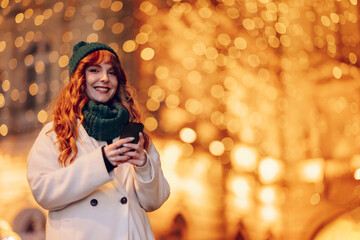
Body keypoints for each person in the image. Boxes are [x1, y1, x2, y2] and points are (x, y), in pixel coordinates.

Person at [27, 41, 170, 240]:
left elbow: (155, 201)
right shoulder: (55, 133)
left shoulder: (134, 132)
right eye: (94, 70)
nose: (105, 79)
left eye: (112, 73)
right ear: (80, 78)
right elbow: (43, 192)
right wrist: (102, 162)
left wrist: (144, 166)